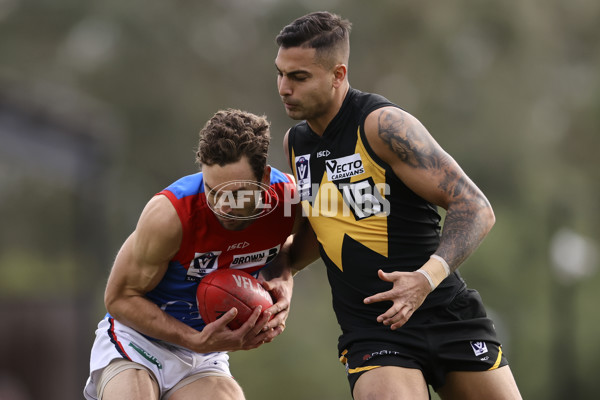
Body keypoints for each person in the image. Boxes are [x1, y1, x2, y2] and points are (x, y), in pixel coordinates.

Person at [274, 11, 522, 400]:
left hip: (444, 312)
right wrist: (277, 273)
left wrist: (423, 281)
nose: (284, 88)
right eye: (281, 74)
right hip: (373, 329)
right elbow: (322, 231)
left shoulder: (382, 125)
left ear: (338, 75)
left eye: (299, 77)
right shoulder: (296, 145)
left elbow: (475, 208)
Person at [84, 109, 297, 400]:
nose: (223, 206)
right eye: (213, 192)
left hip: (203, 353)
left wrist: (283, 278)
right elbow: (119, 298)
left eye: (236, 194)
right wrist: (194, 340)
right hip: (138, 341)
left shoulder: (289, 201)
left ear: (264, 176)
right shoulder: (170, 215)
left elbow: (290, 245)